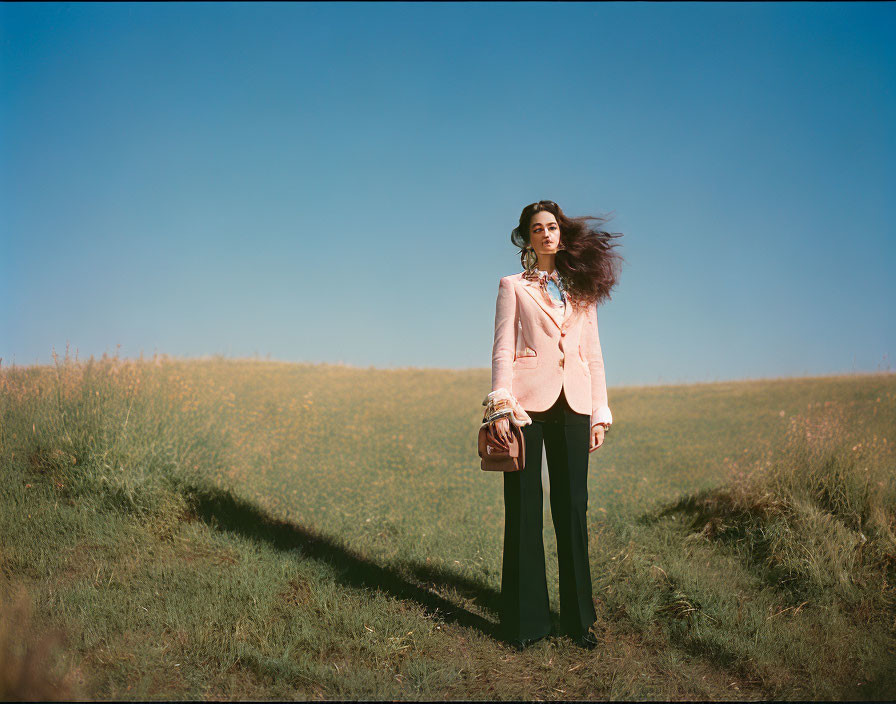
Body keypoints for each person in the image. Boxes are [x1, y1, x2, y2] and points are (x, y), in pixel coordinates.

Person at [484, 199, 622, 650]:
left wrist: (599, 412)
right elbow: (503, 349)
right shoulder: (512, 286)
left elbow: (593, 354)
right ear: (527, 238)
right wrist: (500, 406)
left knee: (572, 508)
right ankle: (526, 623)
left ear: (561, 234)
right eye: (537, 229)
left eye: (552, 227)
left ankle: (579, 621)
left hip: (575, 405)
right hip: (525, 404)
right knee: (524, 509)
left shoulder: (582, 289)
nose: (546, 234)